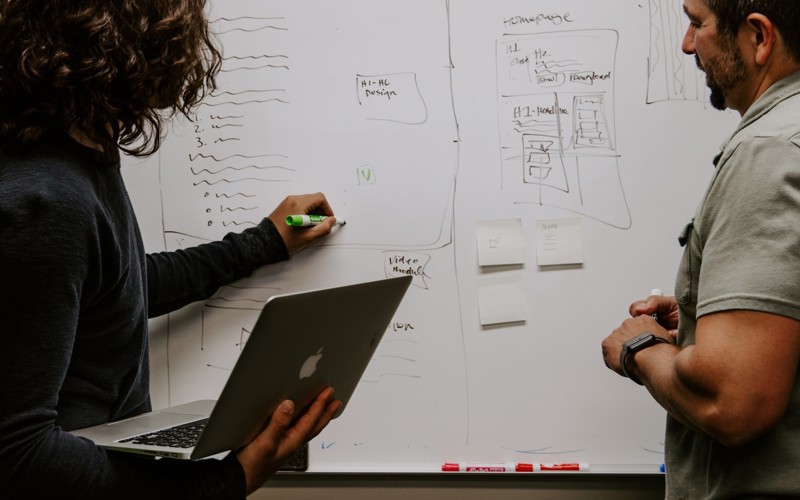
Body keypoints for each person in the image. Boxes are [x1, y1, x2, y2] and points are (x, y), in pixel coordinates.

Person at [0, 0, 342, 498]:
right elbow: (18, 453)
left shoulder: (75, 159)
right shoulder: (47, 199)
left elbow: (118, 287)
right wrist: (229, 480)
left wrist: (262, 243)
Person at [602, 0, 800, 497]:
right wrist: (699, 316)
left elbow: (732, 404)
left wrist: (638, 348)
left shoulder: (769, 151)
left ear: (759, 36)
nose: (687, 44)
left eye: (696, 24)